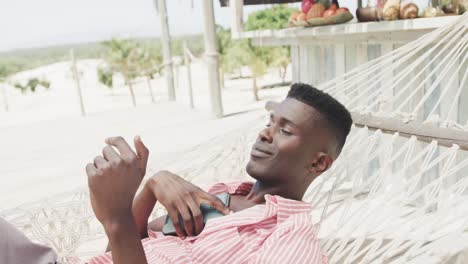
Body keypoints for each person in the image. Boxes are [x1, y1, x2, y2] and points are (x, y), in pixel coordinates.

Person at [1, 83, 352, 264]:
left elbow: (120, 235)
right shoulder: (225, 194)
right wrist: (151, 186)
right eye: (269, 123)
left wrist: (118, 217)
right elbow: (118, 252)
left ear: (319, 163)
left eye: (285, 131)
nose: (265, 134)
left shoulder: (289, 243)